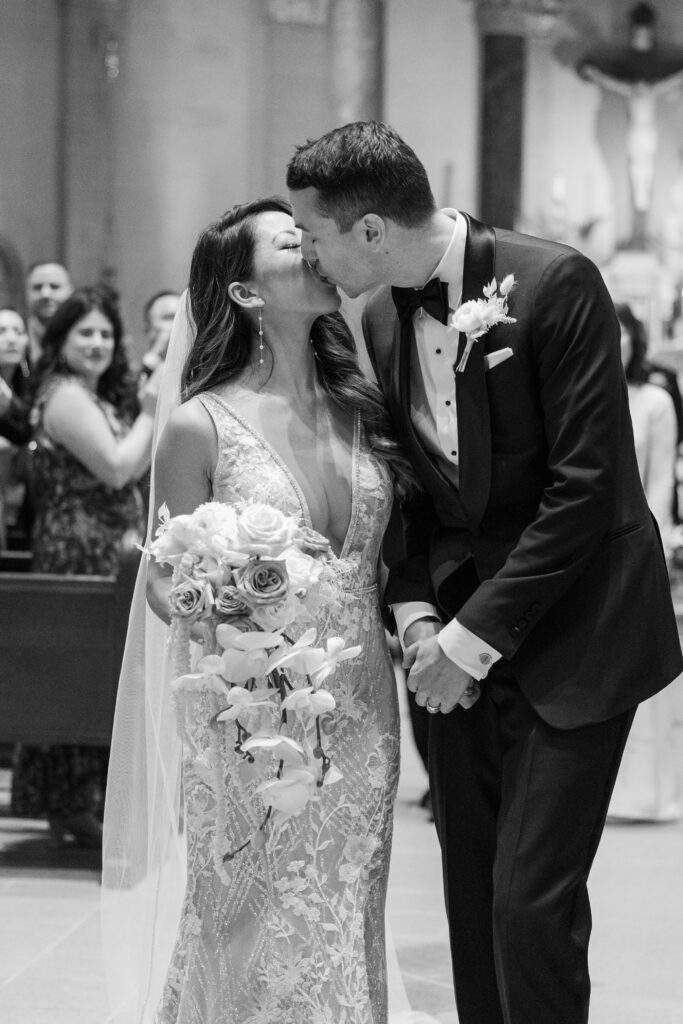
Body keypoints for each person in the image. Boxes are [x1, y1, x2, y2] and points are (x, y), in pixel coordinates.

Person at [286, 121, 683, 1024]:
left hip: (577, 637)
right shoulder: (380, 312)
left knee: (528, 903)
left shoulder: (555, 283)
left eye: (314, 235)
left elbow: (586, 490)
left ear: (372, 231)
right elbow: (407, 491)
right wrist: (421, 618)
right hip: (452, 657)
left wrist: (467, 640)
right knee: (471, 898)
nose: (310, 254)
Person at [102, 197, 426, 1024]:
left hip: (358, 707)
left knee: (345, 903)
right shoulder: (198, 427)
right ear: (246, 293)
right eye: (292, 241)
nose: (315, 249)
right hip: (247, 713)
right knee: (246, 909)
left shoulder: (363, 406)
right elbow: (164, 580)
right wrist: (222, 588)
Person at [10, 286, 159, 849]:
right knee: (78, 674)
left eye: (106, 334)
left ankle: (86, 800)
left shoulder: (95, 395)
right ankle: (67, 803)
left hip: (106, 548)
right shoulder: (66, 395)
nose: (98, 343)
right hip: (79, 550)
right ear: (61, 339)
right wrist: (149, 412)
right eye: (85, 332)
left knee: (102, 677)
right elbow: (117, 468)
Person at [608, 303, 682, 822]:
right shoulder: (571, 394)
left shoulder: (653, 401)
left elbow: (658, 482)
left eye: (622, 335)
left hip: (635, 550)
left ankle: (648, 794)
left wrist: (646, 551)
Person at [0, 308, 32, 547]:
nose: (11, 338)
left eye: (18, 331)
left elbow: (25, 431)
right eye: (1, 331)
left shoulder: (31, 385)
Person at [25, 260, 73, 363]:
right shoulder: (17, 336)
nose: (45, 294)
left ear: (70, 291)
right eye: (37, 287)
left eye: (54, 286)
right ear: (27, 292)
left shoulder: (83, 336)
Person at [139, 290, 181, 378]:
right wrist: (154, 356)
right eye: (169, 317)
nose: (179, 323)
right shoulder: (131, 378)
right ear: (148, 329)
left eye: (182, 316)